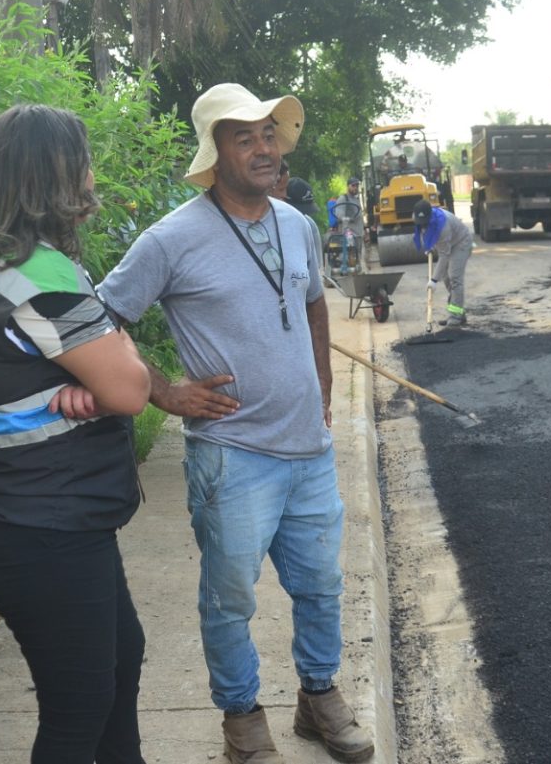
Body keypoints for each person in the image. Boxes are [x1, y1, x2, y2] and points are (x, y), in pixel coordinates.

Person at [99, 83, 374, 764]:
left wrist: (322, 382)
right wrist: (164, 391)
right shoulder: (171, 239)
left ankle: (318, 697)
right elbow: (101, 320)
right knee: (230, 601)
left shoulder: (297, 224)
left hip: (308, 450)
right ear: (214, 152)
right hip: (233, 454)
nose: (262, 147)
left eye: (268, 133)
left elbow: (313, 304)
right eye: (243, 136)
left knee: (321, 586)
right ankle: (242, 721)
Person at [0, 104, 154, 764]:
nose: (93, 177)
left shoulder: (1, 269)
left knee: (121, 660)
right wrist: (115, 360)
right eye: (84, 162)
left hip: (39, 516)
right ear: (58, 175)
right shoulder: (42, 278)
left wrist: (101, 372)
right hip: (39, 526)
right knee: (80, 706)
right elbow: (132, 388)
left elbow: (98, 377)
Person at [410, 198, 472, 328]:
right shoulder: (417, 218)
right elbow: (424, 232)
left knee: (454, 278)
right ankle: (458, 312)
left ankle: (455, 317)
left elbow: (444, 255)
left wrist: (433, 280)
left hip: (461, 242)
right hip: (448, 243)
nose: (423, 225)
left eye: (425, 222)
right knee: (446, 278)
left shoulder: (443, 226)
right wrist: (430, 246)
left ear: (430, 217)